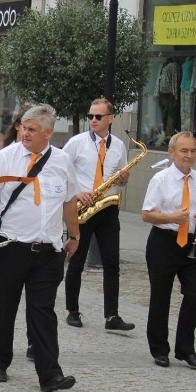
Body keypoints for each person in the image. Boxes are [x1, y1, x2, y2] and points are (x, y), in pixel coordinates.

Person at [0, 104, 79, 392]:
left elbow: (69, 201)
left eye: (32, 129)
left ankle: (50, 375)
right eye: (23, 127)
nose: (25, 133)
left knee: (43, 311)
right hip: (12, 246)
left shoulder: (62, 160)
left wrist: (75, 235)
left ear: (48, 133)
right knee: (5, 304)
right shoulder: (6, 157)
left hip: (49, 251)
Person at [62, 98, 136, 332]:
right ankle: (72, 311)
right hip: (83, 208)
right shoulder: (76, 143)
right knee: (77, 261)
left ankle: (112, 316)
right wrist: (77, 193)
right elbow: (60, 172)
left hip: (108, 207)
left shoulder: (119, 146)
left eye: (98, 117)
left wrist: (123, 180)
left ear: (110, 119)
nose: (93, 120)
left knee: (112, 263)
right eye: (91, 116)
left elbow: (121, 178)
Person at [142, 131, 196, 369]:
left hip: (192, 243)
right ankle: (160, 349)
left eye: (193, 151)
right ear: (171, 153)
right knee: (161, 297)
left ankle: (186, 348)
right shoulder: (160, 180)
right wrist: (172, 217)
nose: (189, 155)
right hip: (164, 242)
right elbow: (147, 214)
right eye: (184, 150)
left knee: (195, 294)